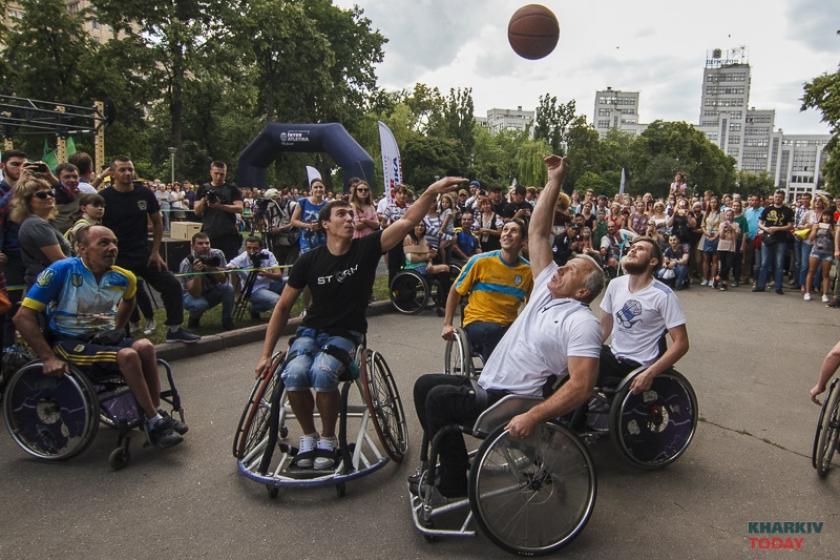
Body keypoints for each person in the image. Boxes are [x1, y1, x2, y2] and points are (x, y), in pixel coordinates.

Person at [412, 155, 605, 499]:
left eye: (570, 269)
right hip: (490, 383)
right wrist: (554, 179)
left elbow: (581, 387)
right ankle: (452, 463)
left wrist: (534, 416)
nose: (559, 268)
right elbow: (538, 231)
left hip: (511, 399)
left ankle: (454, 482)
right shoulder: (547, 287)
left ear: (583, 291)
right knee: (424, 384)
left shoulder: (581, 323)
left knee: (440, 399)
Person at [255, 175, 468, 470]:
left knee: (322, 372)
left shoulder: (365, 249)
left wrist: (431, 190)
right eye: (341, 214)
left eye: (352, 214)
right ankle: (308, 439)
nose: (350, 218)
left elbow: (406, 222)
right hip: (311, 331)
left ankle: (328, 441)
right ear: (325, 224)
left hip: (347, 333)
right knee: (294, 373)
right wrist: (266, 354)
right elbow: (282, 308)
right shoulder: (309, 260)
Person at [13, 225, 186, 448]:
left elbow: (130, 300)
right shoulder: (61, 271)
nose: (112, 247)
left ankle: (154, 416)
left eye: (114, 242)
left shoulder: (124, 277)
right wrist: (47, 358)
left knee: (145, 346)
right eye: (103, 243)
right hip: (67, 341)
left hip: (100, 339)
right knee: (128, 355)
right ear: (82, 248)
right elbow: (22, 317)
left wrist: (117, 328)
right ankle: (154, 420)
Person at [100, 156, 199, 343]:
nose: (128, 173)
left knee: (171, 285)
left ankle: (174, 329)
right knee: (121, 297)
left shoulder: (144, 193)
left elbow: (157, 222)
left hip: (144, 253)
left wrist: (155, 252)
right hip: (118, 257)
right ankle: (122, 335)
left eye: (130, 169)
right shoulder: (105, 198)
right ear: (113, 173)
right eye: (122, 170)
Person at [598, 236, 689, 393]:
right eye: (632, 247)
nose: (632, 249)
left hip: (637, 365)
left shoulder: (663, 295)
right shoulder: (615, 284)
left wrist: (651, 372)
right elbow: (605, 326)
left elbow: (681, 343)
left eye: (640, 249)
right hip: (614, 356)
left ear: (652, 262)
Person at [441, 219, 532, 363]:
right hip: (478, 322)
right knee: (493, 333)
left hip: (508, 325)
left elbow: (532, 304)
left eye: (513, 231)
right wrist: (447, 324)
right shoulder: (480, 261)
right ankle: (493, 378)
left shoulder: (528, 271)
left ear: (523, 241)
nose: (507, 234)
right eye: (505, 230)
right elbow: (455, 290)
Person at [12, 178, 71, 289]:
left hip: (48, 285)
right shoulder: (36, 224)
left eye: (50, 193)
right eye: (41, 195)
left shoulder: (45, 222)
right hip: (46, 288)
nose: (49, 197)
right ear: (27, 201)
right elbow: (59, 260)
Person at [178, 232, 235, 330]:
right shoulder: (186, 263)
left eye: (207, 243)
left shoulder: (217, 254)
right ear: (193, 246)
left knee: (229, 288)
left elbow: (223, 280)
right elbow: (195, 293)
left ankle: (227, 321)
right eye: (200, 243)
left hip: (212, 289)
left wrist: (211, 268)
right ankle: (194, 319)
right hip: (189, 295)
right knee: (200, 304)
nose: (205, 246)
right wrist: (198, 274)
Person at [195, 161, 244, 261]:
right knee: (207, 264)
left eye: (222, 174)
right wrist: (205, 199)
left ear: (226, 173)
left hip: (228, 234)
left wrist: (219, 206)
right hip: (209, 233)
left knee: (231, 265)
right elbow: (197, 211)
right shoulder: (203, 188)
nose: (218, 177)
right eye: (216, 173)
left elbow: (239, 208)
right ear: (211, 172)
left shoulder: (232, 189)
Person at [226, 236, 284, 318]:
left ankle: (281, 307)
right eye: (248, 248)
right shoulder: (242, 258)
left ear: (261, 248)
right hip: (253, 290)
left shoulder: (268, 255)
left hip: (268, 284)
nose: (251, 251)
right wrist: (233, 268)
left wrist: (266, 274)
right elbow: (227, 268)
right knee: (277, 300)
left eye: (255, 248)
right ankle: (253, 308)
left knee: (290, 282)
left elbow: (279, 276)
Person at [403, 222, 451, 314]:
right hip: (413, 268)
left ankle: (444, 300)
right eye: (418, 225)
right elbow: (411, 258)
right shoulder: (408, 238)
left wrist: (429, 263)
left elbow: (429, 257)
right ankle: (438, 304)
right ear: (414, 227)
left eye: (422, 226)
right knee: (440, 271)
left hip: (424, 266)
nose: (420, 227)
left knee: (445, 269)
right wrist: (427, 256)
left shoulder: (424, 240)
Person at [753, 190, 794, 295]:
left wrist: (777, 228)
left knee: (779, 264)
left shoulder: (788, 210)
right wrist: (766, 229)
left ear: (783, 198)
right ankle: (761, 285)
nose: (777, 199)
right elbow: (760, 223)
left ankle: (778, 286)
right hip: (767, 239)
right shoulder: (767, 209)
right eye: (776, 197)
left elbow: (790, 226)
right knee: (764, 263)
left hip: (781, 239)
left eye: (780, 197)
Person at [803, 209, 834, 303]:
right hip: (816, 251)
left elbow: (836, 239)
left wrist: (831, 230)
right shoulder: (816, 225)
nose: (826, 217)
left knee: (825, 274)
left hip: (828, 252)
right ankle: (807, 292)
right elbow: (811, 238)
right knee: (811, 271)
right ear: (822, 216)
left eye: (828, 215)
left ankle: (824, 294)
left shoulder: (833, 226)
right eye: (825, 215)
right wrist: (815, 230)